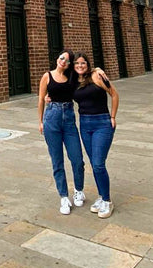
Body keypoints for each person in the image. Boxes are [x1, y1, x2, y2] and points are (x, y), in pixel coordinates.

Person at [72, 52, 119, 219]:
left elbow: (114, 94)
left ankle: (107, 201)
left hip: (102, 123)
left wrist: (112, 117)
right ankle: (101, 196)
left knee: (99, 163)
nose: (80, 66)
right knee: (94, 163)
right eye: (77, 63)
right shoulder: (73, 81)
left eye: (83, 63)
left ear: (88, 64)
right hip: (84, 124)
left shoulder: (97, 75)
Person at [38, 50, 85, 215]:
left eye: (67, 60)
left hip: (69, 120)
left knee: (77, 159)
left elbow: (86, 73)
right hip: (51, 119)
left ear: (70, 64)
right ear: (57, 58)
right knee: (57, 160)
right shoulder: (47, 76)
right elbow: (41, 99)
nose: (63, 61)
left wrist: (98, 70)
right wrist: (41, 121)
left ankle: (79, 190)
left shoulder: (72, 78)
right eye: (61, 57)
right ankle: (64, 196)